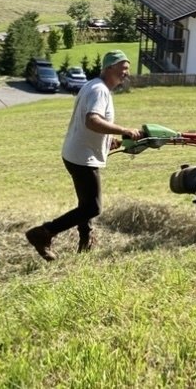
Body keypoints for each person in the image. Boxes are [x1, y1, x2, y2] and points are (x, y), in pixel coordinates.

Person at [25, 50, 142, 261]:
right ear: (109, 68)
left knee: (85, 204)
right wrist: (123, 130)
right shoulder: (99, 90)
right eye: (123, 68)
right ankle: (42, 233)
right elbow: (92, 120)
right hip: (82, 157)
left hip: (75, 153)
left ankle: (85, 241)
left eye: (127, 68)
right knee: (92, 207)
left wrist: (109, 142)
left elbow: (89, 125)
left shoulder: (93, 86)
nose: (127, 73)